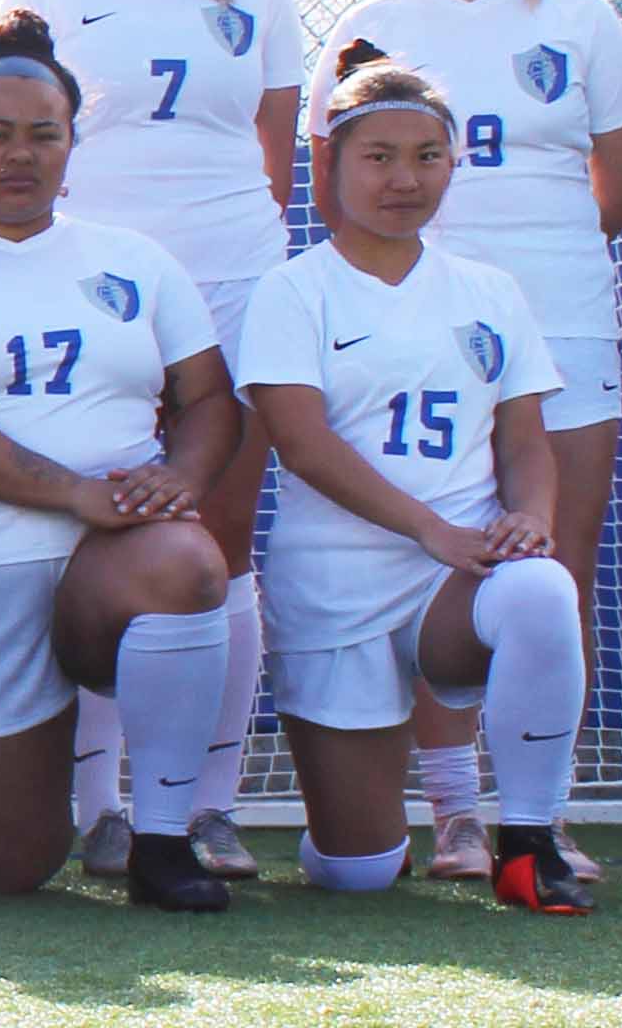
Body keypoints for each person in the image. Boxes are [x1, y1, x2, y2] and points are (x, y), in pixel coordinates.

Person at [303, 0, 622, 882]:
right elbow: (329, 188)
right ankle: (453, 813)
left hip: (562, 320)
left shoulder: (580, 17)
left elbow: (617, 185)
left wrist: (518, 271)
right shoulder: (369, 25)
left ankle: (539, 811)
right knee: (428, 566)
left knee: (549, 567)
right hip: (418, 343)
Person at [0, 11, 243, 911]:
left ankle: (165, 841)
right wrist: (72, 494)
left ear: (71, 142)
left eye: (42, 135)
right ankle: (10, 789)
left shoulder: (135, 260)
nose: (18, 156)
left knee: (185, 561)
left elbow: (212, 400)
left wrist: (180, 477)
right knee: (8, 867)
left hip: (117, 553)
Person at [0, 0, 301, 881]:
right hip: (94, 300)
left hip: (232, 289)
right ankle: (98, 806)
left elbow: (268, 157)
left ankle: (205, 805)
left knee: (217, 546)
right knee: (99, 535)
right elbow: (15, 132)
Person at [240, 49, 594, 914]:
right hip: (337, 584)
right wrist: (430, 529)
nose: (405, 178)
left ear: (452, 163)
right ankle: (358, 828)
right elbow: (303, 443)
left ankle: (529, 839)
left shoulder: (490, 290)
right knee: (358, 871)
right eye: (380, 156)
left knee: (542, 590)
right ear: (328, 163)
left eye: (427, 156)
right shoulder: (293, 291)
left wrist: (531, 520)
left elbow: (526, 442)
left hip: (458, 577)